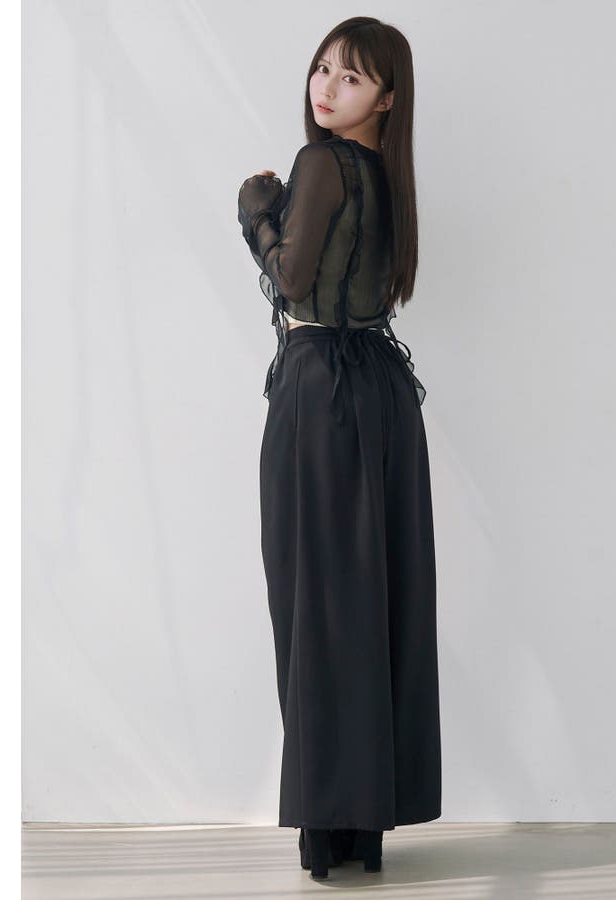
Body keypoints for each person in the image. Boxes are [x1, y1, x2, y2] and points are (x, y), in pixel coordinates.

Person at [237, 16, 441, 880]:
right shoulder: (391, 178)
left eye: (352, 77)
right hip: (382, 391)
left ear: (386, 98)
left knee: (314, 601)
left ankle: (326, 827)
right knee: (374, 600)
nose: (327, 87)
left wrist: (254, 212)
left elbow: (290, 279)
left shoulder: (321, 164)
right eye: (323, 68)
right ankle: (363, 828)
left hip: (321, 388)